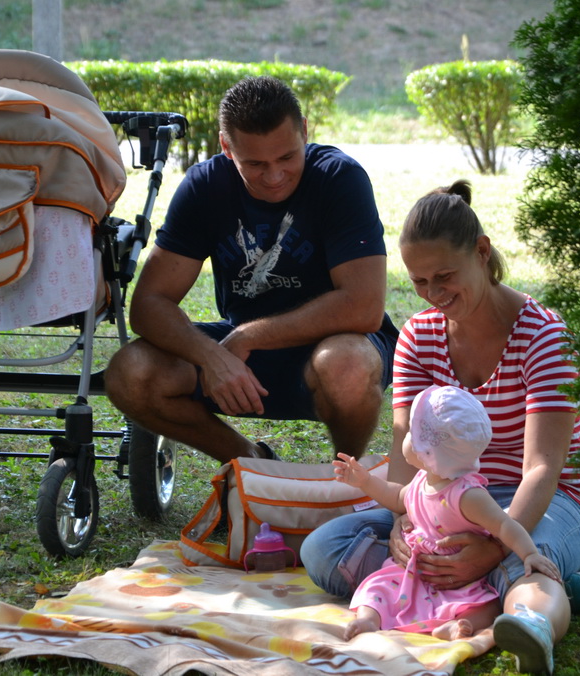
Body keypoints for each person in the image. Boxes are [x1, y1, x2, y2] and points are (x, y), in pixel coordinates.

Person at [301, 179, 580, 675]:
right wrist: (403, 522)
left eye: (444, 277)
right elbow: (405, 440)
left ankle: (532, 623)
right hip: (441, 500)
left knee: (525, 555)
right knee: (325, 549)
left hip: (537, 500)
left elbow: (542, 468)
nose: (433, 294)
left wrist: (495, 544)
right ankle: (516, 587)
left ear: (481, 252)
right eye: (419, 281)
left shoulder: (543, 335)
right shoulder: (419, 336)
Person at [104, 76, 397, 464]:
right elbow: (148, 305)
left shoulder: (339, 178)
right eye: (255, 164)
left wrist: (247, 336)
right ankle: (252, 464)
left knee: (346, 364)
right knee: (129, 372)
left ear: (304, 131)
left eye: (287, 158)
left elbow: (364, 307)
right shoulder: (205, 186)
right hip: (242, 354)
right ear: (227, 147)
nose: (274, 177)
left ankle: (343, 477)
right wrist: (211, 356)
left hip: (334, 346)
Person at [334, 384, 561, 656]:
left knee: (486, 605)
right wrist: (366, 481)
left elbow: (504, 525)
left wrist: (530, 554)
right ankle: (369, 620)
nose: (406, 437)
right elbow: (396, 496)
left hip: (461, 577)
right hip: (413, 572)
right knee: (377, 586)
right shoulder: (423, 480)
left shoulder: (467, 495)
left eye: (411, 434)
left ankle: (458, 626)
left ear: (427, 452)